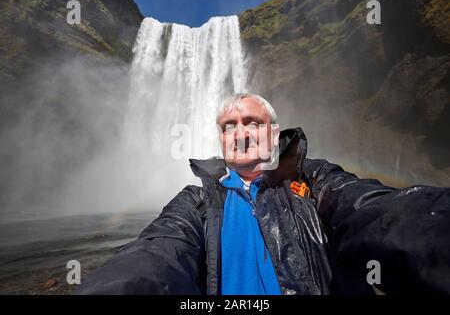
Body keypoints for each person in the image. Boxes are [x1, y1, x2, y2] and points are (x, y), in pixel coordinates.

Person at [75, 93, 450, 295]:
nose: (240, 132)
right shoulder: (196, 202)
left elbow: (370, 210)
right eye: (228, 127)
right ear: (221, 141)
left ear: (274, 134)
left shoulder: (313, 180)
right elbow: (157, 252)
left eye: (252, 122)